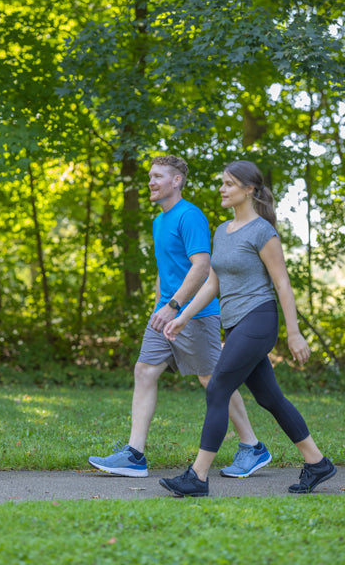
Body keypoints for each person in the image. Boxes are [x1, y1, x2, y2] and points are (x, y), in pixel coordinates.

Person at [159, 159, 337, 496]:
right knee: (270, 397)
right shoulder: (222, 231)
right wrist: (181, 315)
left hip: (259, 319)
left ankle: (197, 477)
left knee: (217, 388)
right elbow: (213, 282)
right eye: (222, 183)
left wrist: (294, 333)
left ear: (249, 189)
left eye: (228, 184)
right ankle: (317, 463)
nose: (222, 189)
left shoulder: (262, 232)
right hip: (236, 323)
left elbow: (282, 284)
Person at [88, 155, 271, 478]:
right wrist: (159, 305)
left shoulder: (190, 216)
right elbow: (167, 269)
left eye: (158, 176)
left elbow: (202, 267)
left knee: (213, 380)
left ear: (176, 181)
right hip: (165, 311)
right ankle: (134, 454)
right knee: (144, 370)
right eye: (149, 177)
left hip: (194, 314)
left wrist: (175, 307)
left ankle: (252, 447)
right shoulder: (160, 220)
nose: (151, 182)